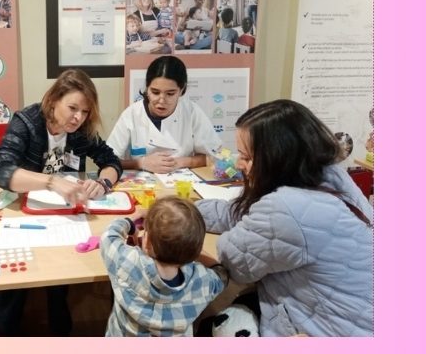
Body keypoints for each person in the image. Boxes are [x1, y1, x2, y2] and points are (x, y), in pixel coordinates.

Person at [196, 100, 374, 336]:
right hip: (355, 312)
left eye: (246, 157)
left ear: (277, 159)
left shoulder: (286, 207)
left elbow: (235, 262)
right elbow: (243, 214)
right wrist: (189, 211)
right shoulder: (328, 175)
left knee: (208, 324)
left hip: (331, 329)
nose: (238, 164)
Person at [0, 69, 122, 336]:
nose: (78, 117)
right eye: (72, 108)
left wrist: (103, 183)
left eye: (85, 112)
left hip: (62, 213)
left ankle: (59, 326)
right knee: (15, 279)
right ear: (54, 100)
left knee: (61, 274)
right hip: (24, 212)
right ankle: (4, 328)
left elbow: (111, 161)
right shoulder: (27, 122)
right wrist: (51, 182)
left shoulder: (80, 131)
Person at [101, 197, 226, 336]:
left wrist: (130, 222)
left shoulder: (126, 261)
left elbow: (109, 235)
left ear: (147, 242)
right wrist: (191, 248)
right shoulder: (202, 281)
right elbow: (221, 275)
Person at [107, 55, 221, 174]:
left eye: (170, 94)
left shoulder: (191, 112)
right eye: (155, 92)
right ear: (147, 88)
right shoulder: (132, 114)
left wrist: (180, 162)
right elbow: (108, 159)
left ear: (182, 90)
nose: (161, 100)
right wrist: (141, 163)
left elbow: (213, 156)